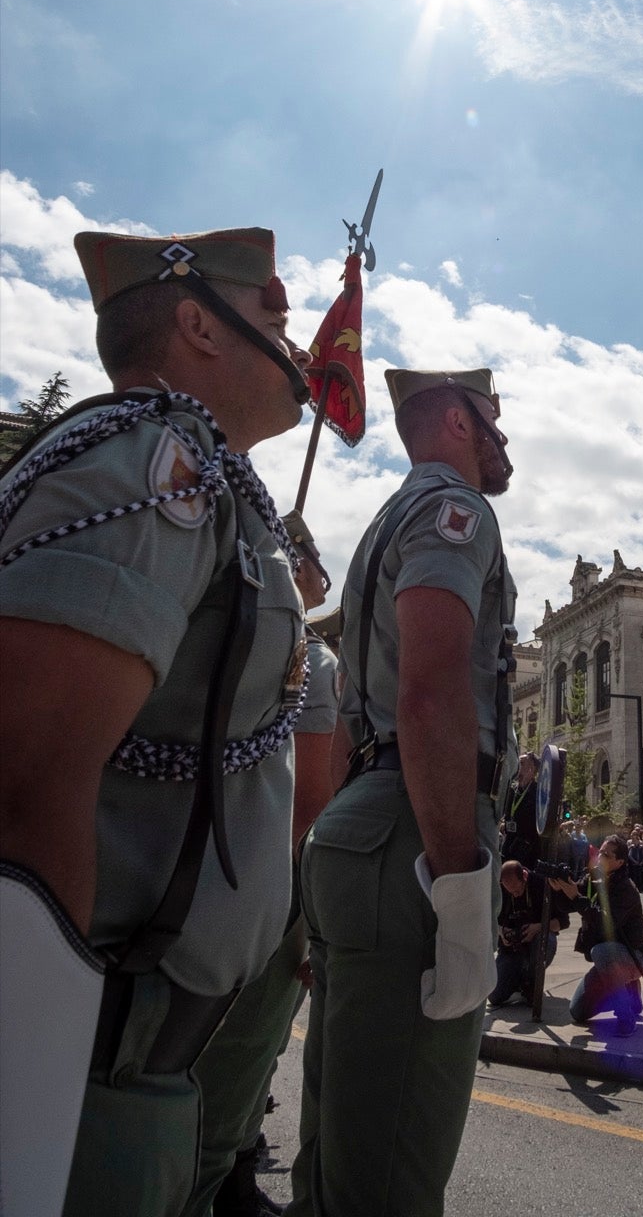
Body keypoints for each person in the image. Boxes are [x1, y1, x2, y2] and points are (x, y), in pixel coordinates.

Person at [0, 226, 310, 1217]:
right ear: (195, 324)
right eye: (269, 316)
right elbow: (26, 781)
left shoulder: (203, 480)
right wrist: (26, 1112)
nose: (293, 337)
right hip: (84, 1058)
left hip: (139, 1060)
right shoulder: (152, 464)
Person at [289, 367, 517, 1217]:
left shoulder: (383, 524)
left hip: (364, 819)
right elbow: (430, 692)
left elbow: (355, 712)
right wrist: (457, 879)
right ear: (456, 422)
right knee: (390, 1161)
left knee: (340, 1131)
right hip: (413, 830)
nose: (503, 442)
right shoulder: (454, 513)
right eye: (492, 423)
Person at [187, 511, 339, 1217]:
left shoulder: (206, 628)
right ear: (297, 568)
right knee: (243, 1063)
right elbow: (309, 806)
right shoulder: (312, 658)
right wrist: (307, 926)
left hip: (189, 883)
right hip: (267, 895)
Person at [552, 833, 643, 1038]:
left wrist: (576, 897)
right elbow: (571, 903)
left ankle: (626, 1017)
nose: (599, 857)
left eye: (606, 854)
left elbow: (606, 922)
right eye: (600, 851)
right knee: (577, 1012)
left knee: (601, 951)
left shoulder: (626, 888)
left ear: (619, 862)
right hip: (608, 958)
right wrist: (560, 889)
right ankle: (630, 992)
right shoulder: (594, 878)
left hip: (633, 956)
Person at [487, 860, 566, 1007]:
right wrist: (502, 932)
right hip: (511, 949)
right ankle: (519, 978)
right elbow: (488, 919)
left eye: (517, 890)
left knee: (546, 940)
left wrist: (538, 927)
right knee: (494, 996)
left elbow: (563, 922)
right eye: (510, 891)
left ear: (524, 877)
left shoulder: (542, 884)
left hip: (537, 942)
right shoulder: (500, 891)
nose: (515, 895)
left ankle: (531, 981)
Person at [500, 752, 541, 866]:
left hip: (526, 850)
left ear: (532, 769)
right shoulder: (512, 790)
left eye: (522, 764)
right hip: (509, 845)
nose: (517, 767)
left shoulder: (538, 792)